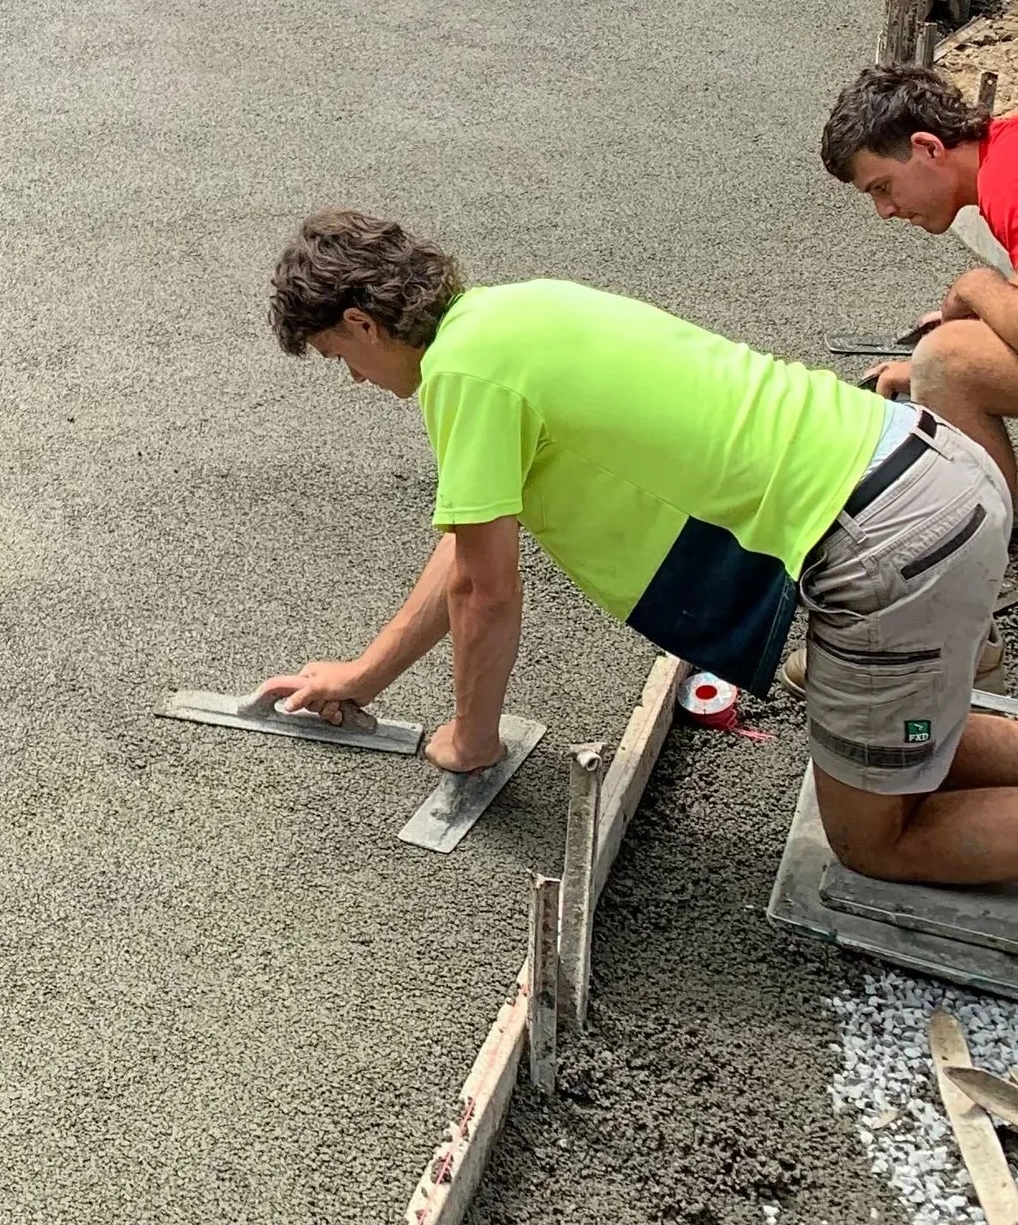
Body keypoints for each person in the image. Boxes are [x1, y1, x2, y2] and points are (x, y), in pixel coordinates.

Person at [259, 212, 1018, 890]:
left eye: (339, 356)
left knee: (874, 843)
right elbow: (468, 548)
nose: (355, 379)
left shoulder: (462, 373)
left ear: (362, 323)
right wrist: (365, 674)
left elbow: (485, 594)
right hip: (931, 467)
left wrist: (472, 738)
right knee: (884, 723)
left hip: (889, 540)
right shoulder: (511, 312)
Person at [821, 62, 1018, 502]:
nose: (885, 210)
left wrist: (974, 288)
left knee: (948, 361)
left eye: (883, 187)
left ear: (928, 148)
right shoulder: (1007, 149)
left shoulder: (1008, 182)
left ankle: (997, 537)